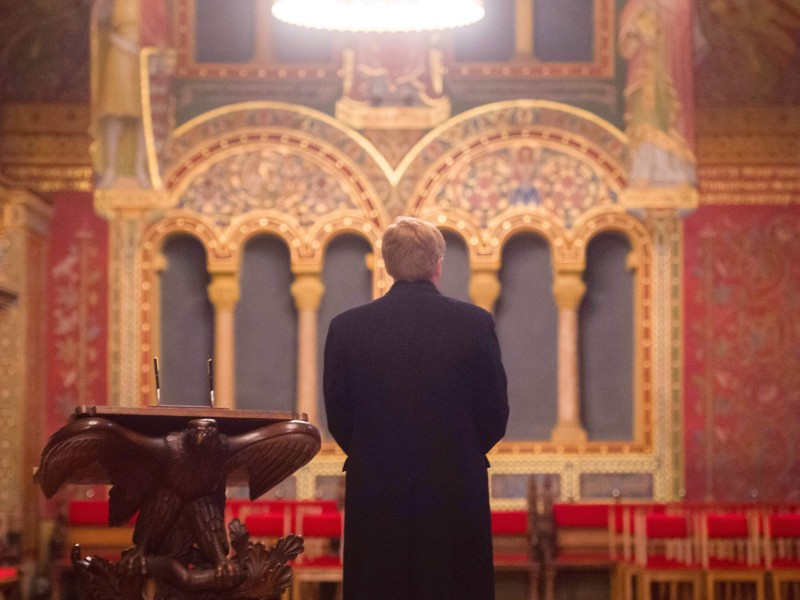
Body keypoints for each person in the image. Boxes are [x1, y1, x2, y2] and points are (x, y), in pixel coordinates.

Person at [323, 216, 509, 600]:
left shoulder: (346, 328)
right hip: (455, 492)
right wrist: (456, 453)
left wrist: (377, 454)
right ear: (438, 264)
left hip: (375, 492)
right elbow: (494, 415)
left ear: (387, 266)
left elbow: (339, 418)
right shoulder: (475, 324)